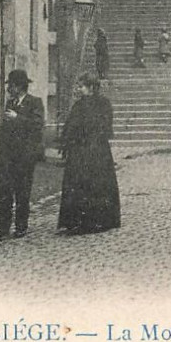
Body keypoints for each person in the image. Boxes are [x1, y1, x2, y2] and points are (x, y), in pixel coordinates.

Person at [57, 73, 121, 236]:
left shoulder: (103, 104)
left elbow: (105, 126)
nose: (79, 89)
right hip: (79, 151)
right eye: (78, 86)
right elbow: (70, 125)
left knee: (97, 184)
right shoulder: (78, 105)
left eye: (82, 86)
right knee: (76, 183)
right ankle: (75, 220)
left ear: (91, 87)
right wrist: (67, 141)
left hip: (96, 151)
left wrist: (89, 136)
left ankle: (99, 220)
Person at [0, 69, 44, 240]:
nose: (9, 89)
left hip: (24, 157)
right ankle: (3, 228)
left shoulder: (35, 103)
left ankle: (21, 227)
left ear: (20, 87)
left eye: (12, 86)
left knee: (22, 192)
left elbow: (37, 125)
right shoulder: (10, 103)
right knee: (3, 191)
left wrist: (18, 118)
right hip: (8, 157)